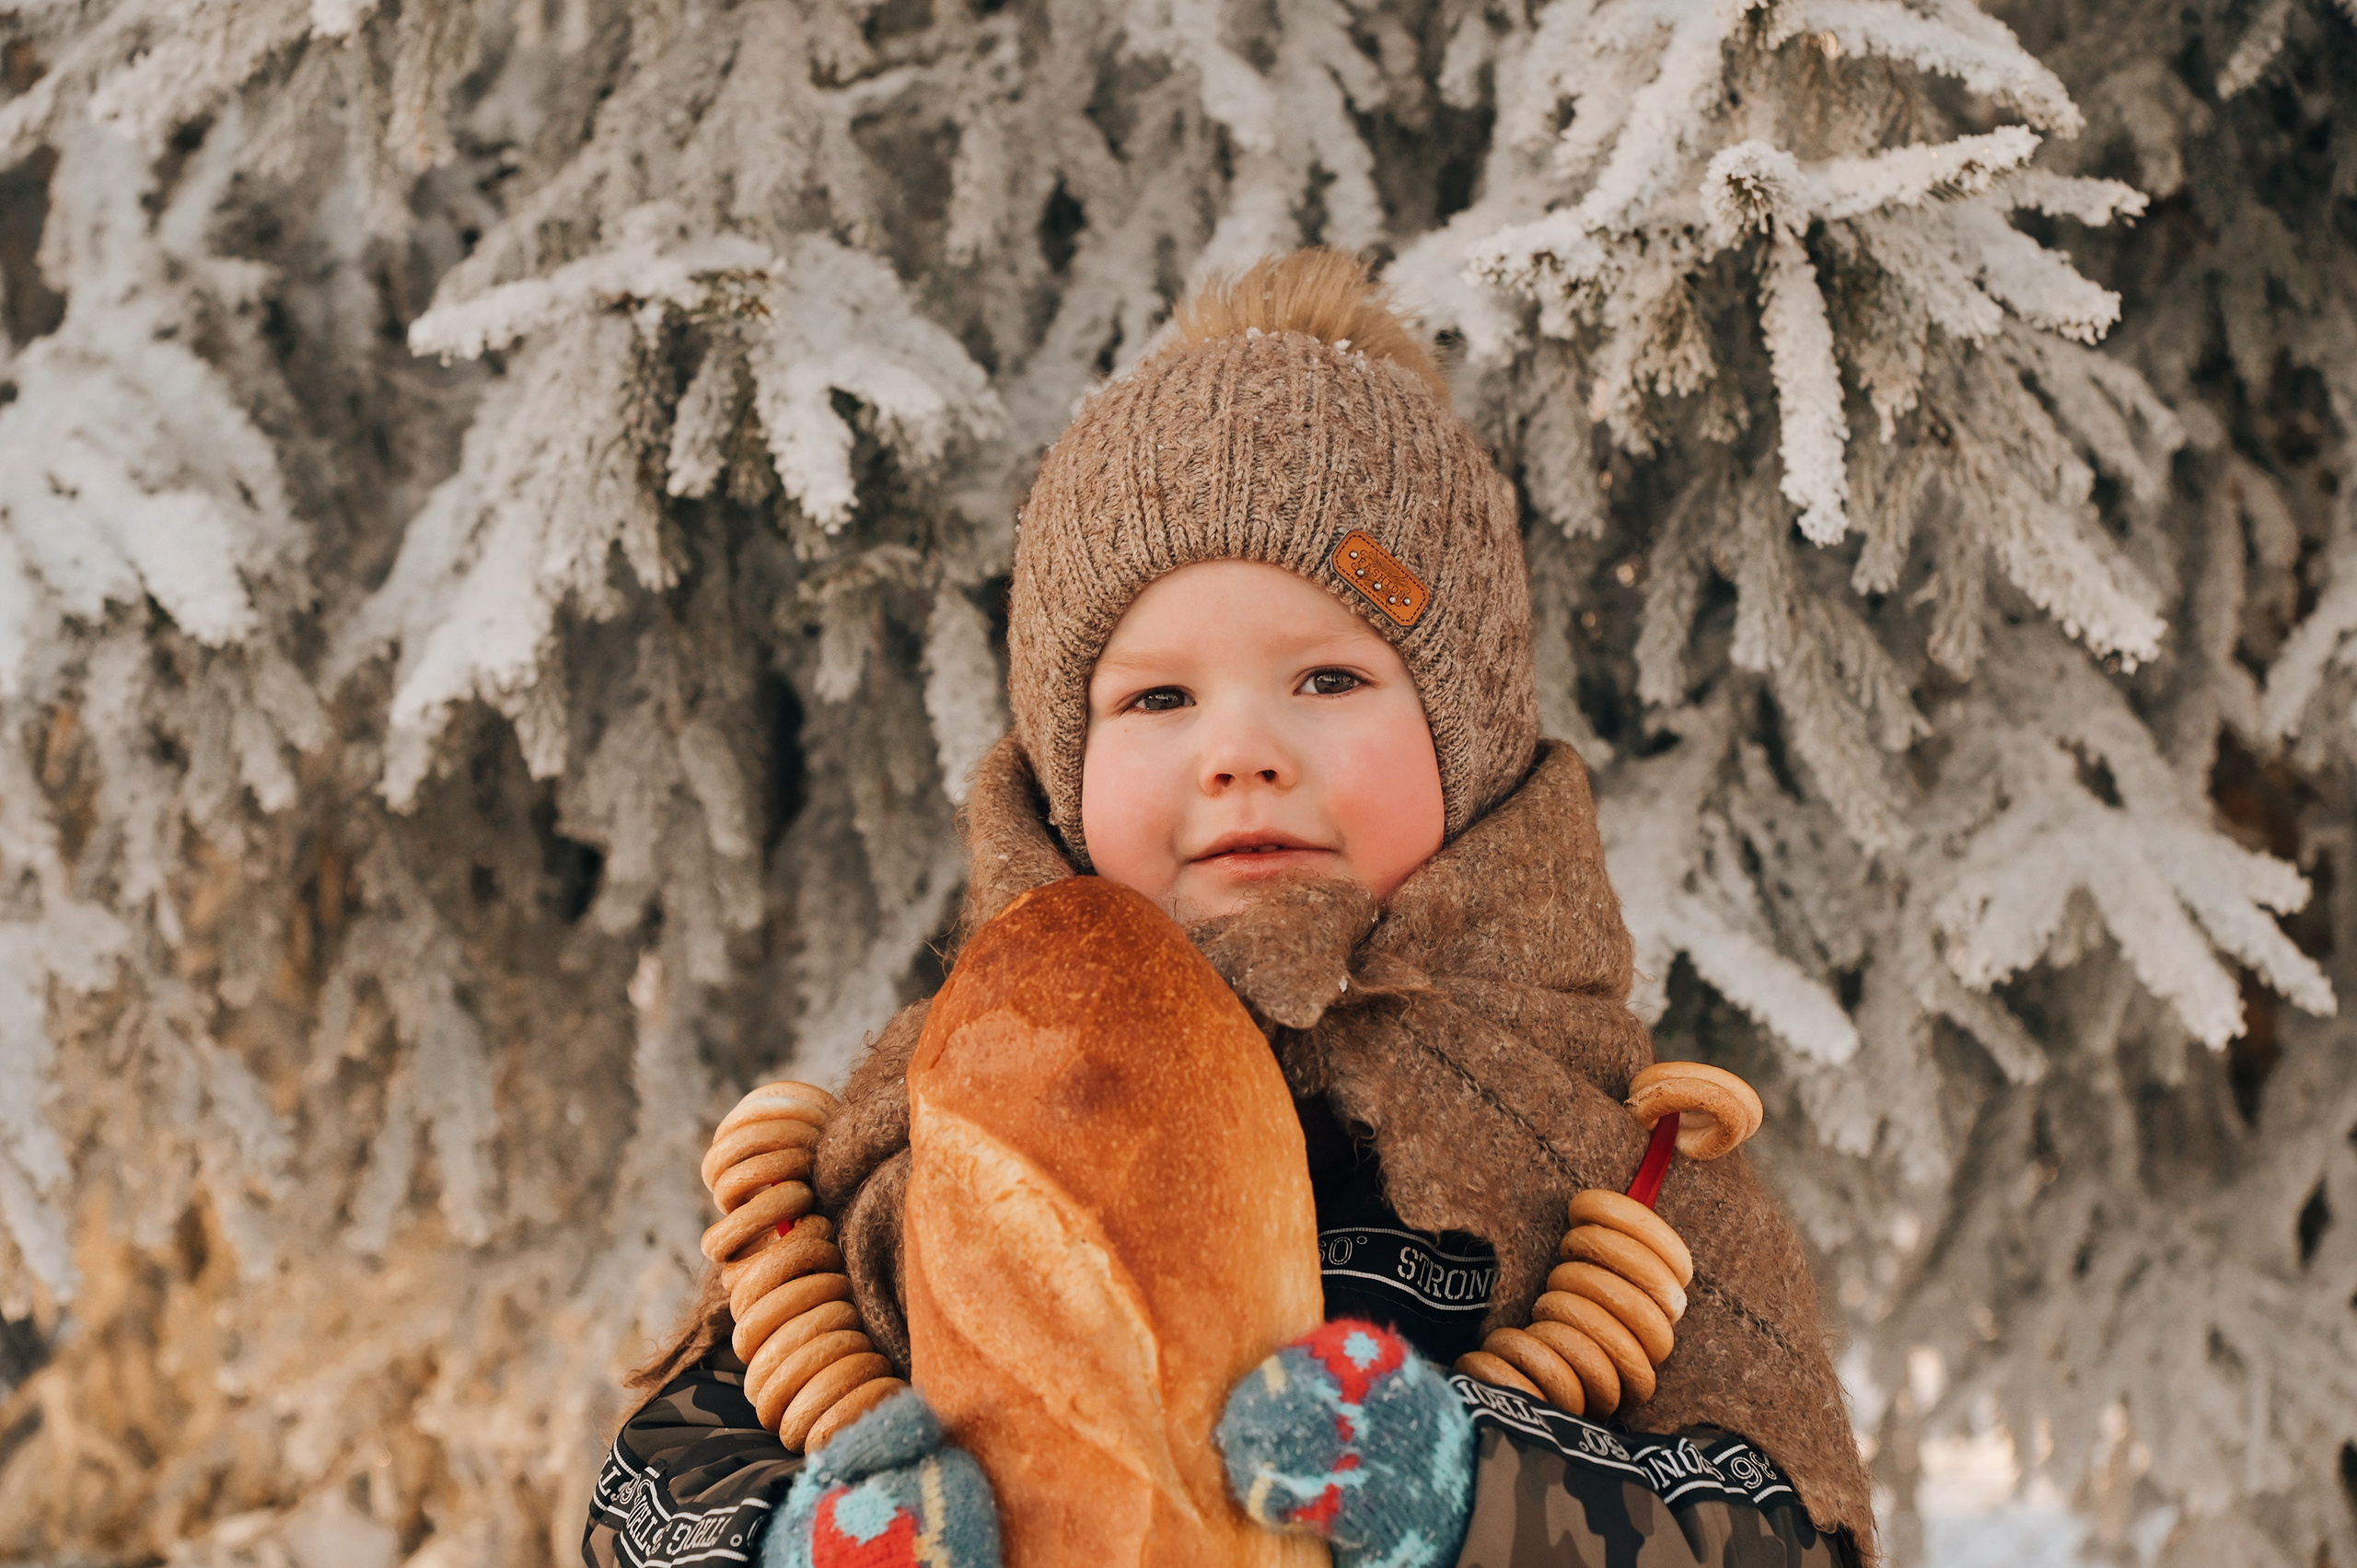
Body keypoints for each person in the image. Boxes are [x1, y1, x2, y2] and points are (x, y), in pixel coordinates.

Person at [585, 250, 1878, 1568]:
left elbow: (1794, 1537)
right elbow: (652, 1494)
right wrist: (789, 1541)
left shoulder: (1617, 1153)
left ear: (1470, 738)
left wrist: (1482, 1499)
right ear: (1066, 769)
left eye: (1328, 679)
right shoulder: (925, 1129)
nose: (1242, 753)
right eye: (1159, 698)